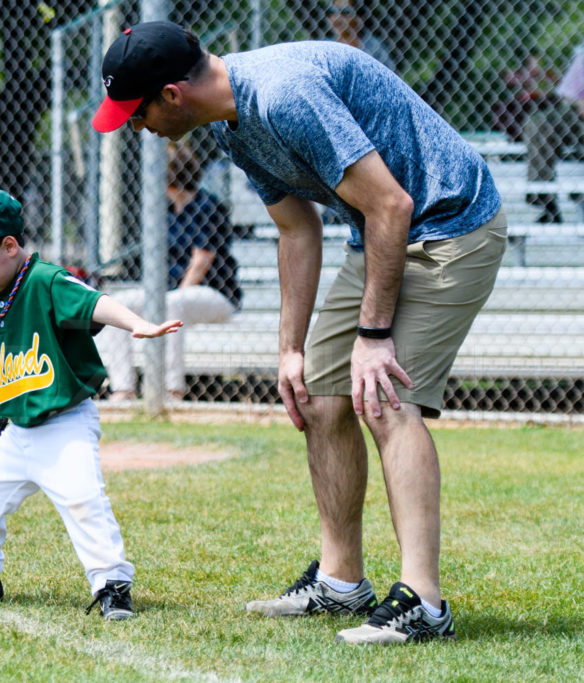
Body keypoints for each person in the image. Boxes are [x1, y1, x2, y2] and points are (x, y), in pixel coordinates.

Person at [92, 21, 505, 644]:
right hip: (379, 233)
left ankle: (424, 601)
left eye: (136, 112)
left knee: (383, 395)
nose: (136, 127)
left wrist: (372, 335)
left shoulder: (283, 97)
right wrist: (291, 351)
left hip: (450, 226)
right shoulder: (234, 127)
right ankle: (342, 583)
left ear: (172, 95)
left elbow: (392, 205)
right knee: (317, 392)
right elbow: (297, 230)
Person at [0, 190, 182, 620]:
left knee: (82, 500)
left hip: (65, 425)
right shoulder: (6, 289)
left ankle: (112, 585)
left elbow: (94, 300)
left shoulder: (45, 280)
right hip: (18, 430)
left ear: (9, 246)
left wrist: (138, 325)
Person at [96, 144, 240, 400]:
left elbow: (201, 262)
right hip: (171, 294)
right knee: (115, 305)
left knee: (171, 304)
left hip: (215, 294)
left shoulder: (208, 206)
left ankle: (171, 390)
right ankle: (123, 388)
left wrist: (163, 302)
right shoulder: (164, 210)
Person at [520, 43, 584, 223]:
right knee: (538, 123)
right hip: (578, 118)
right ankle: (545, 199)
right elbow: (568, 95)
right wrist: (579, 102)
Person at [326, 0, 396, 72]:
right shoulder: (325, 46)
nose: (337, 18)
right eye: (332, 11)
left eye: (345, 12)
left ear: (359, 18)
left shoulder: (374, 47)